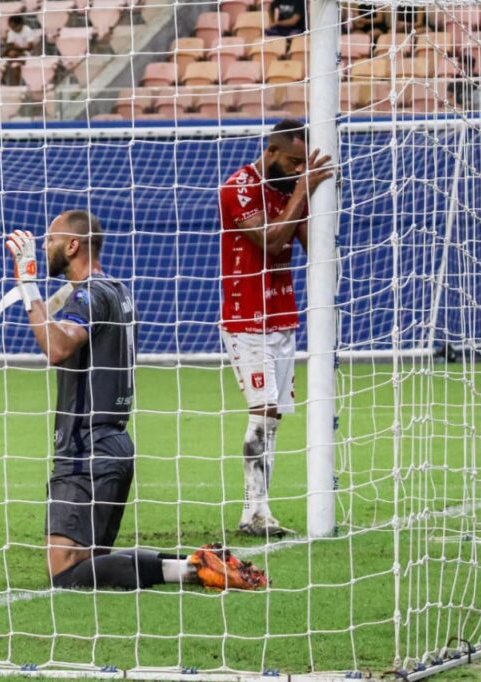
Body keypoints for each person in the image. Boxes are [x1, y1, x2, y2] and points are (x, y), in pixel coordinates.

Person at [4, 211, 268, 592]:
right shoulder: (117, 290)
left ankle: (190, 569)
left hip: (86, 448)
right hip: (114, 446)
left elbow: (59, 348)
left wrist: (28, 286)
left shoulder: (89, 294)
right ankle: (197, 565)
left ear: (73, 245)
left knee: (63, 572)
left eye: (50, 240)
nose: (44, 247)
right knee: (94, 565)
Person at [218, 120, 332, 538]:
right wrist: (303, 190)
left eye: (304, 164)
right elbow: (269, 239)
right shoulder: (239, 188)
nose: (298, 169)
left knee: (274, 418)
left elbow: (306, 242)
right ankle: (253, 513)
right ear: (271, 151)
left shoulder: (286, 189)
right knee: (262, 412)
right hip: (246, 316)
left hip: (283, 314)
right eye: (292, 161)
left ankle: (260, 510)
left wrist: (311, 195)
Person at [3, 15, 35, 86]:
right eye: (11, 27)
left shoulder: (27, 30)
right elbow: (10, 45)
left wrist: (17, 49)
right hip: (15, 54)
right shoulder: (11, 32)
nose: (12, 29)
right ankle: (6, 79)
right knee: (9, 55)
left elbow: (30, 47)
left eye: (14, 27)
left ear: (20, 24)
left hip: (27, 54)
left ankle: (18, 80)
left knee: (13, 54)